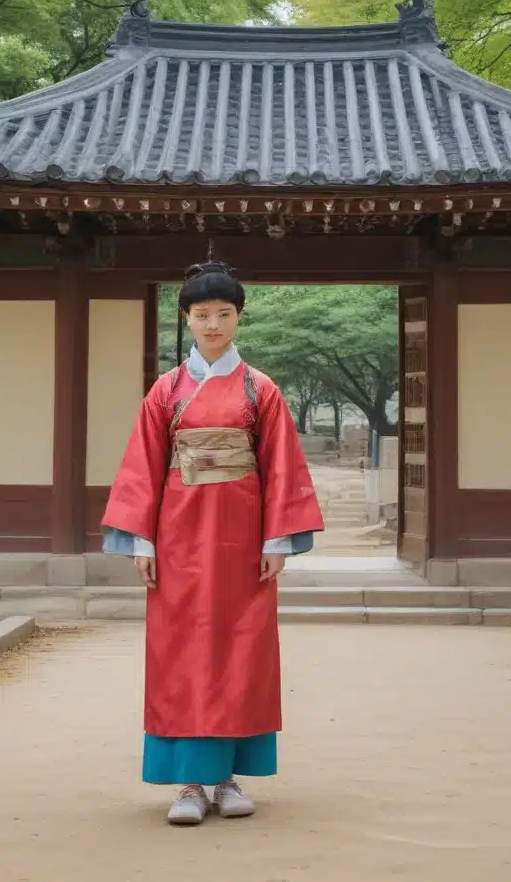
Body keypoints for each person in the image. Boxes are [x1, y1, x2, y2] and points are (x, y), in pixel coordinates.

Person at [102, 260, 324, 826]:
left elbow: (281, 467)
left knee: (240, 650)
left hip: (243, 540)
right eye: (202, 315)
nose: (213, 324)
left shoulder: (261, 389)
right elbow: (141, 470)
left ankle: (228, 778)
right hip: (177, 538)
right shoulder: (166, 391)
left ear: (238, 318)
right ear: (188, 319)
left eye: (224, 314)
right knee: (180, 651)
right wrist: (142, 545)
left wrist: (277, 539)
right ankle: (188, 784)